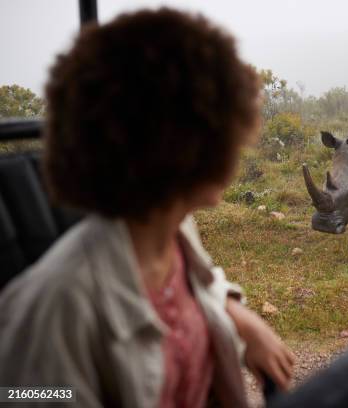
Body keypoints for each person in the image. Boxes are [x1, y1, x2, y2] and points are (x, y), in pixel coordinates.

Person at [0, 8, 294, 408]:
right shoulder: (55, 312)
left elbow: (201, 285)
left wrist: (243, 321)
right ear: (182, 149)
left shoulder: (172, 229)